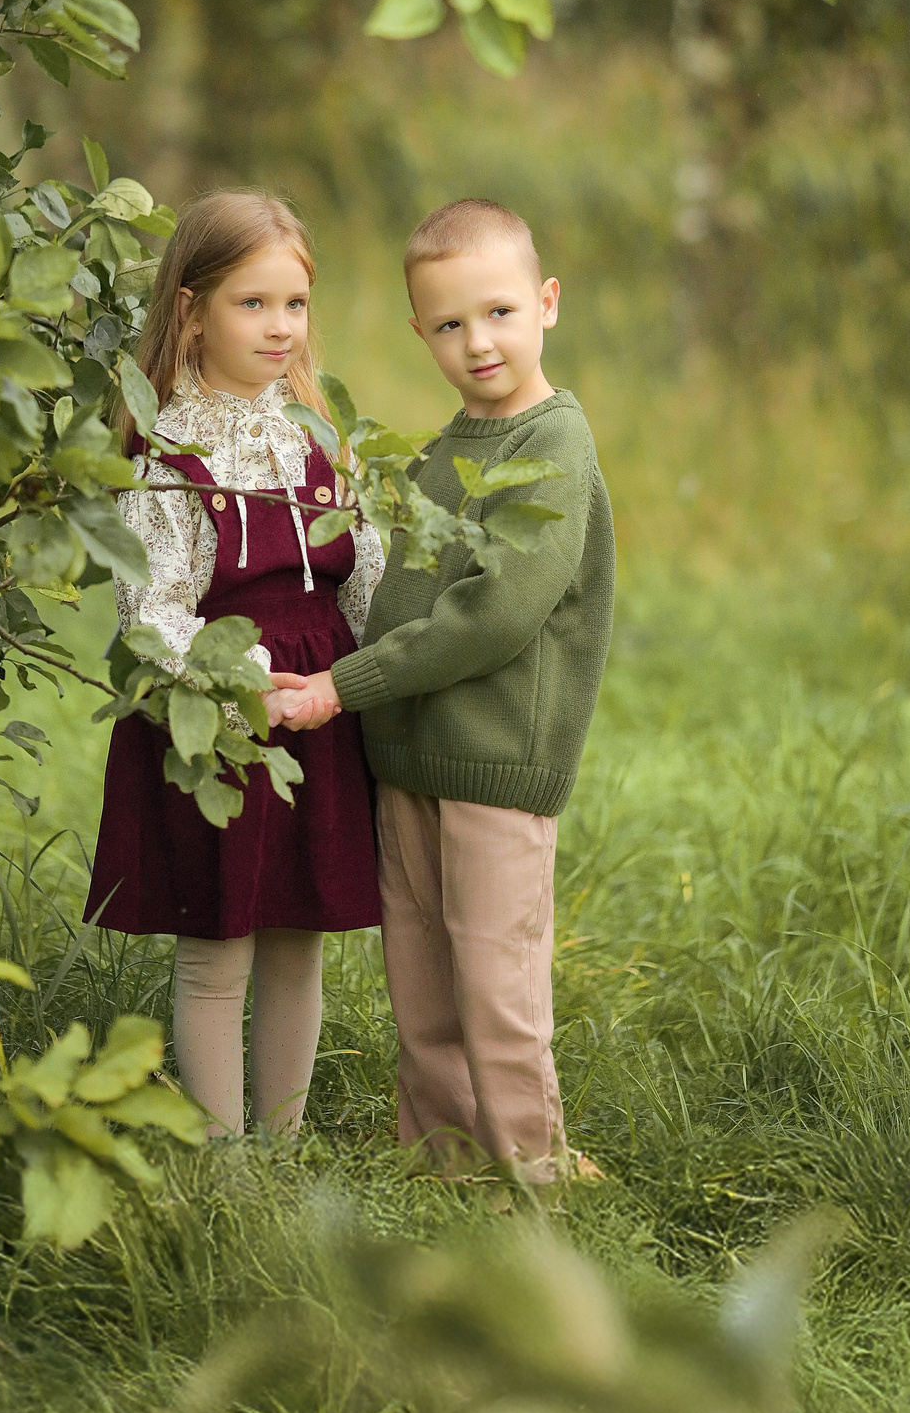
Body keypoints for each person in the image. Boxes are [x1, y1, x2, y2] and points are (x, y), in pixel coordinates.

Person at [266, 199, 615, 1183]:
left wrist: (347, 684)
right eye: (450, 324)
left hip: (494, 762)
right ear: (420, 331)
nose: (479, 343)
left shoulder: (551, 447)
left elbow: (494, 616)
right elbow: (392, 588)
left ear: (546, 304)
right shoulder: (444, 449)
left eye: (499, 313)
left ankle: (532, 1174)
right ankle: (445, 1159)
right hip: (407, 760)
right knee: (421, 984)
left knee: (496, 987)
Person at [85, 190, 383, 1139]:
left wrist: (371, 674)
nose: (280, 328)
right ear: (191, 308)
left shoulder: (321, 438)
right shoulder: (169, 452)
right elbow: (151, 611)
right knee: (219, 946)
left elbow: (364, 580)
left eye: (294, 304)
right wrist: (242, 683)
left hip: (319, 715)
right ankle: (221, 1163)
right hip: (214, 716)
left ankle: (282, 1149)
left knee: (299, 938)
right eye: (252, 304)